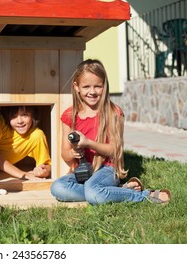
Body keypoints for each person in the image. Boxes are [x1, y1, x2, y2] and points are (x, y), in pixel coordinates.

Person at [50, 59, 171, 204]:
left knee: (93, 192)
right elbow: (65, 154)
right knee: (58, 187)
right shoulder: (69, 115)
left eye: (97, 86)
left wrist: (88, 143)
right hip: (82, 172)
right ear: (76, 87)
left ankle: (144, 195)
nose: (92, 92)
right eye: (86, 86)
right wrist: (72, 153)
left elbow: (115, 150)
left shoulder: (113, 113)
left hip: (107, 170)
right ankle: (118, 191)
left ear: (104, 86)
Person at [0, 106, 51, 180]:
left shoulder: (37, 135)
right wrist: (22, 174)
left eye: (24, 115)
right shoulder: (0, 121)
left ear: (33, 115)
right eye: (14, 116)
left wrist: (44, 171)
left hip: (1, 172)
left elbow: (46, 165)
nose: (19, 121)